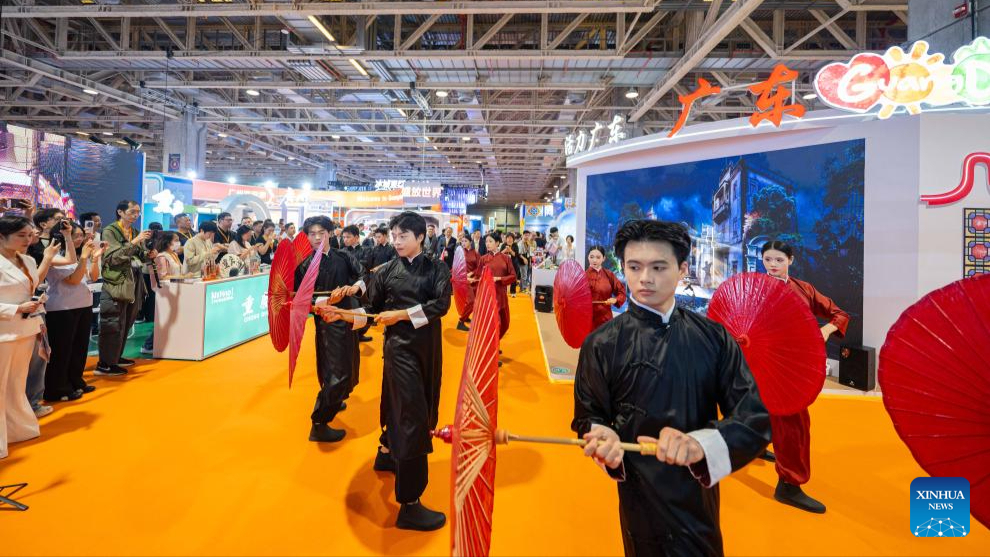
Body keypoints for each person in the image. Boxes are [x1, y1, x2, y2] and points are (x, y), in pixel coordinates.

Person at [572, 220, 771, 557]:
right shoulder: (601, 344)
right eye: (634, 267)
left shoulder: (714, 338)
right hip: (638, 495)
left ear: (682, 269)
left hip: (697, 495)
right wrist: (600, 437)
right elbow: (588, 414)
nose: (644, 278)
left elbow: (754, 419)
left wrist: (700, 444)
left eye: (658, 267)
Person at [322, 211, 451, 532]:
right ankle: (410, 502)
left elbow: (441, 306)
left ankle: (386, 451)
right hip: (399, 352)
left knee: (411, 404)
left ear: (420, 237)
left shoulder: (436, 268)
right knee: (413, 418)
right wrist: (342, 316)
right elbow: (371, 311)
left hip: (428, 349)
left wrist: (402, 315)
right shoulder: (387, 270)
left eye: (403, 236)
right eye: (394, 236)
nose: (397, 241)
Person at [761, 240, 849, 514]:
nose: (772, 265)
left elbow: (838, 314)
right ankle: (786, 482)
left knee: (793, 421)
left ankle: (786, 478)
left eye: (778, 260)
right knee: (778, 417)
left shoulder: (804, 289)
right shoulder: (755, 288)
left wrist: (826, 330)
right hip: (761, 361)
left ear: (790, 260)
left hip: (792, 365)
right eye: (767, 259)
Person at [298, 217, 367, 443]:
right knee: (335, 370)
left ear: (330, 233)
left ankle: (337, 397)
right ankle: (319, 422)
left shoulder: (344, 256)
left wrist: (354, 287)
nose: (317, 238)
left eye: (321, 232)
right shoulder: (305, 266)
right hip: (327, 323)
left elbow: (363, 274)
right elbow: (301, 300)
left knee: (349, 362)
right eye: (312, 234)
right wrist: (326, 302)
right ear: (307, 237)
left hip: (348, 317)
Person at [0, 215, 59, 459]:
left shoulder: (27, 260)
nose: (27, 240)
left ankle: (17, 429)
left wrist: (34, 303)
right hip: (4, 332)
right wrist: (15, 308)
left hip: (27, 329)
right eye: (21, 236)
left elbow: (33, 286)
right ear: (2, 237)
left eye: (29, 235)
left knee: (16, 384)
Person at [43, 221, 103, 402]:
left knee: (79, 348)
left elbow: (93, 277)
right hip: (62, 307)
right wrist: (84, 258)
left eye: (81, 235)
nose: (80, 239)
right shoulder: (55, 256)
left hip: (83, 304)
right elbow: (74, 280)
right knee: (62, 350)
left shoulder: (77, 255)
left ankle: (76, 381)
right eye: (75, 235)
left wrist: (94, 258)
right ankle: (58, 388)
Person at [97, 200, 153, 376]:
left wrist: (149, 254)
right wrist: (135, 242)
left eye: (138, 212)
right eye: (132, 212)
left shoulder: (134, 231)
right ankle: (105, 363)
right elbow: (113, 258)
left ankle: (115, 357)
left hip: (133, 281)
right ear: (120, 212)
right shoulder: (110, 231)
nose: (136, 215)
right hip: (116, 283)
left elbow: (140, 256)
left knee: (127, 322)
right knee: (112, 322)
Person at [141, 232, 184, 355]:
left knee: (171, 319)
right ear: (168, 242)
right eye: (175, 240)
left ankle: (166, 342)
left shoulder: (174, 254)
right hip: (164, 292)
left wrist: (184, 276)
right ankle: (148, 345)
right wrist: (181, 277)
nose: (178, 242)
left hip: (175, 290)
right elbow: (162, 276)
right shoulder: (162, 256)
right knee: (163, 320)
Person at [478, 234, 516, 350]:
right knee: (493, 324)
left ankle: (495, 342)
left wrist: (500, 279)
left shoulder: (506, 258)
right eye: (486, 241)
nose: (487, 244)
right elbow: (478, 276)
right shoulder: (483, 259)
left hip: (501, 295)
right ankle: (492, 348)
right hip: (488, 296)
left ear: (497, 243)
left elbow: (513, 276)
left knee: (505, 323)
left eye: (490, 241)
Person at [340, 225, 373, 343]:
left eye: (348, 237)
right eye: (344, 237)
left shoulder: (366, 250)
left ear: (357, 237)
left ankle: (360, 334)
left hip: (362, 285)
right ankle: (352, 336)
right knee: (349, 312)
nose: (345, 239)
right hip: (347, 287)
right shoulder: (342, 252)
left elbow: (365, 267)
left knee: (365, 310)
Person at [585, 245, 626, 330]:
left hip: (605, 319)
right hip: (588, 319)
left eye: (598, 257)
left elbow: (621, 291)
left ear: (603, 258)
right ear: (588, 257)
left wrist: (616, 299)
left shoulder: (609, 274)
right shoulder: (582, 276)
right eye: (591, 257)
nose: (594, 260)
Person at [456, 234, 480, 332]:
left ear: (470, 242)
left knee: (473, 302)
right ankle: (461, 321)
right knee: (471, 301)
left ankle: (465, 317)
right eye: (462, 241)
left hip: (473, 280)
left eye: (465, 241)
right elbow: (457, 266)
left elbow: (480, 267)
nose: (463, 243)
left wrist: (472, 273)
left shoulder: (476, 253)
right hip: (463, 281)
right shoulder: (460, 253)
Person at [502, 233, 526, 298]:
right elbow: (500, 254)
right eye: (508, 238)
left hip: (514, 264)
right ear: (506, 239)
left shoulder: (515, 245)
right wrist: (505, 250)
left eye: (511, 238)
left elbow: (516, 255)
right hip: (505, 265)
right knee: (504, 278)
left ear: (513, 239)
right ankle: (504, 291)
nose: (509, 239)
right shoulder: (503, 245)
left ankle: (513, 292)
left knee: (513, 278)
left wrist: (510, 250)